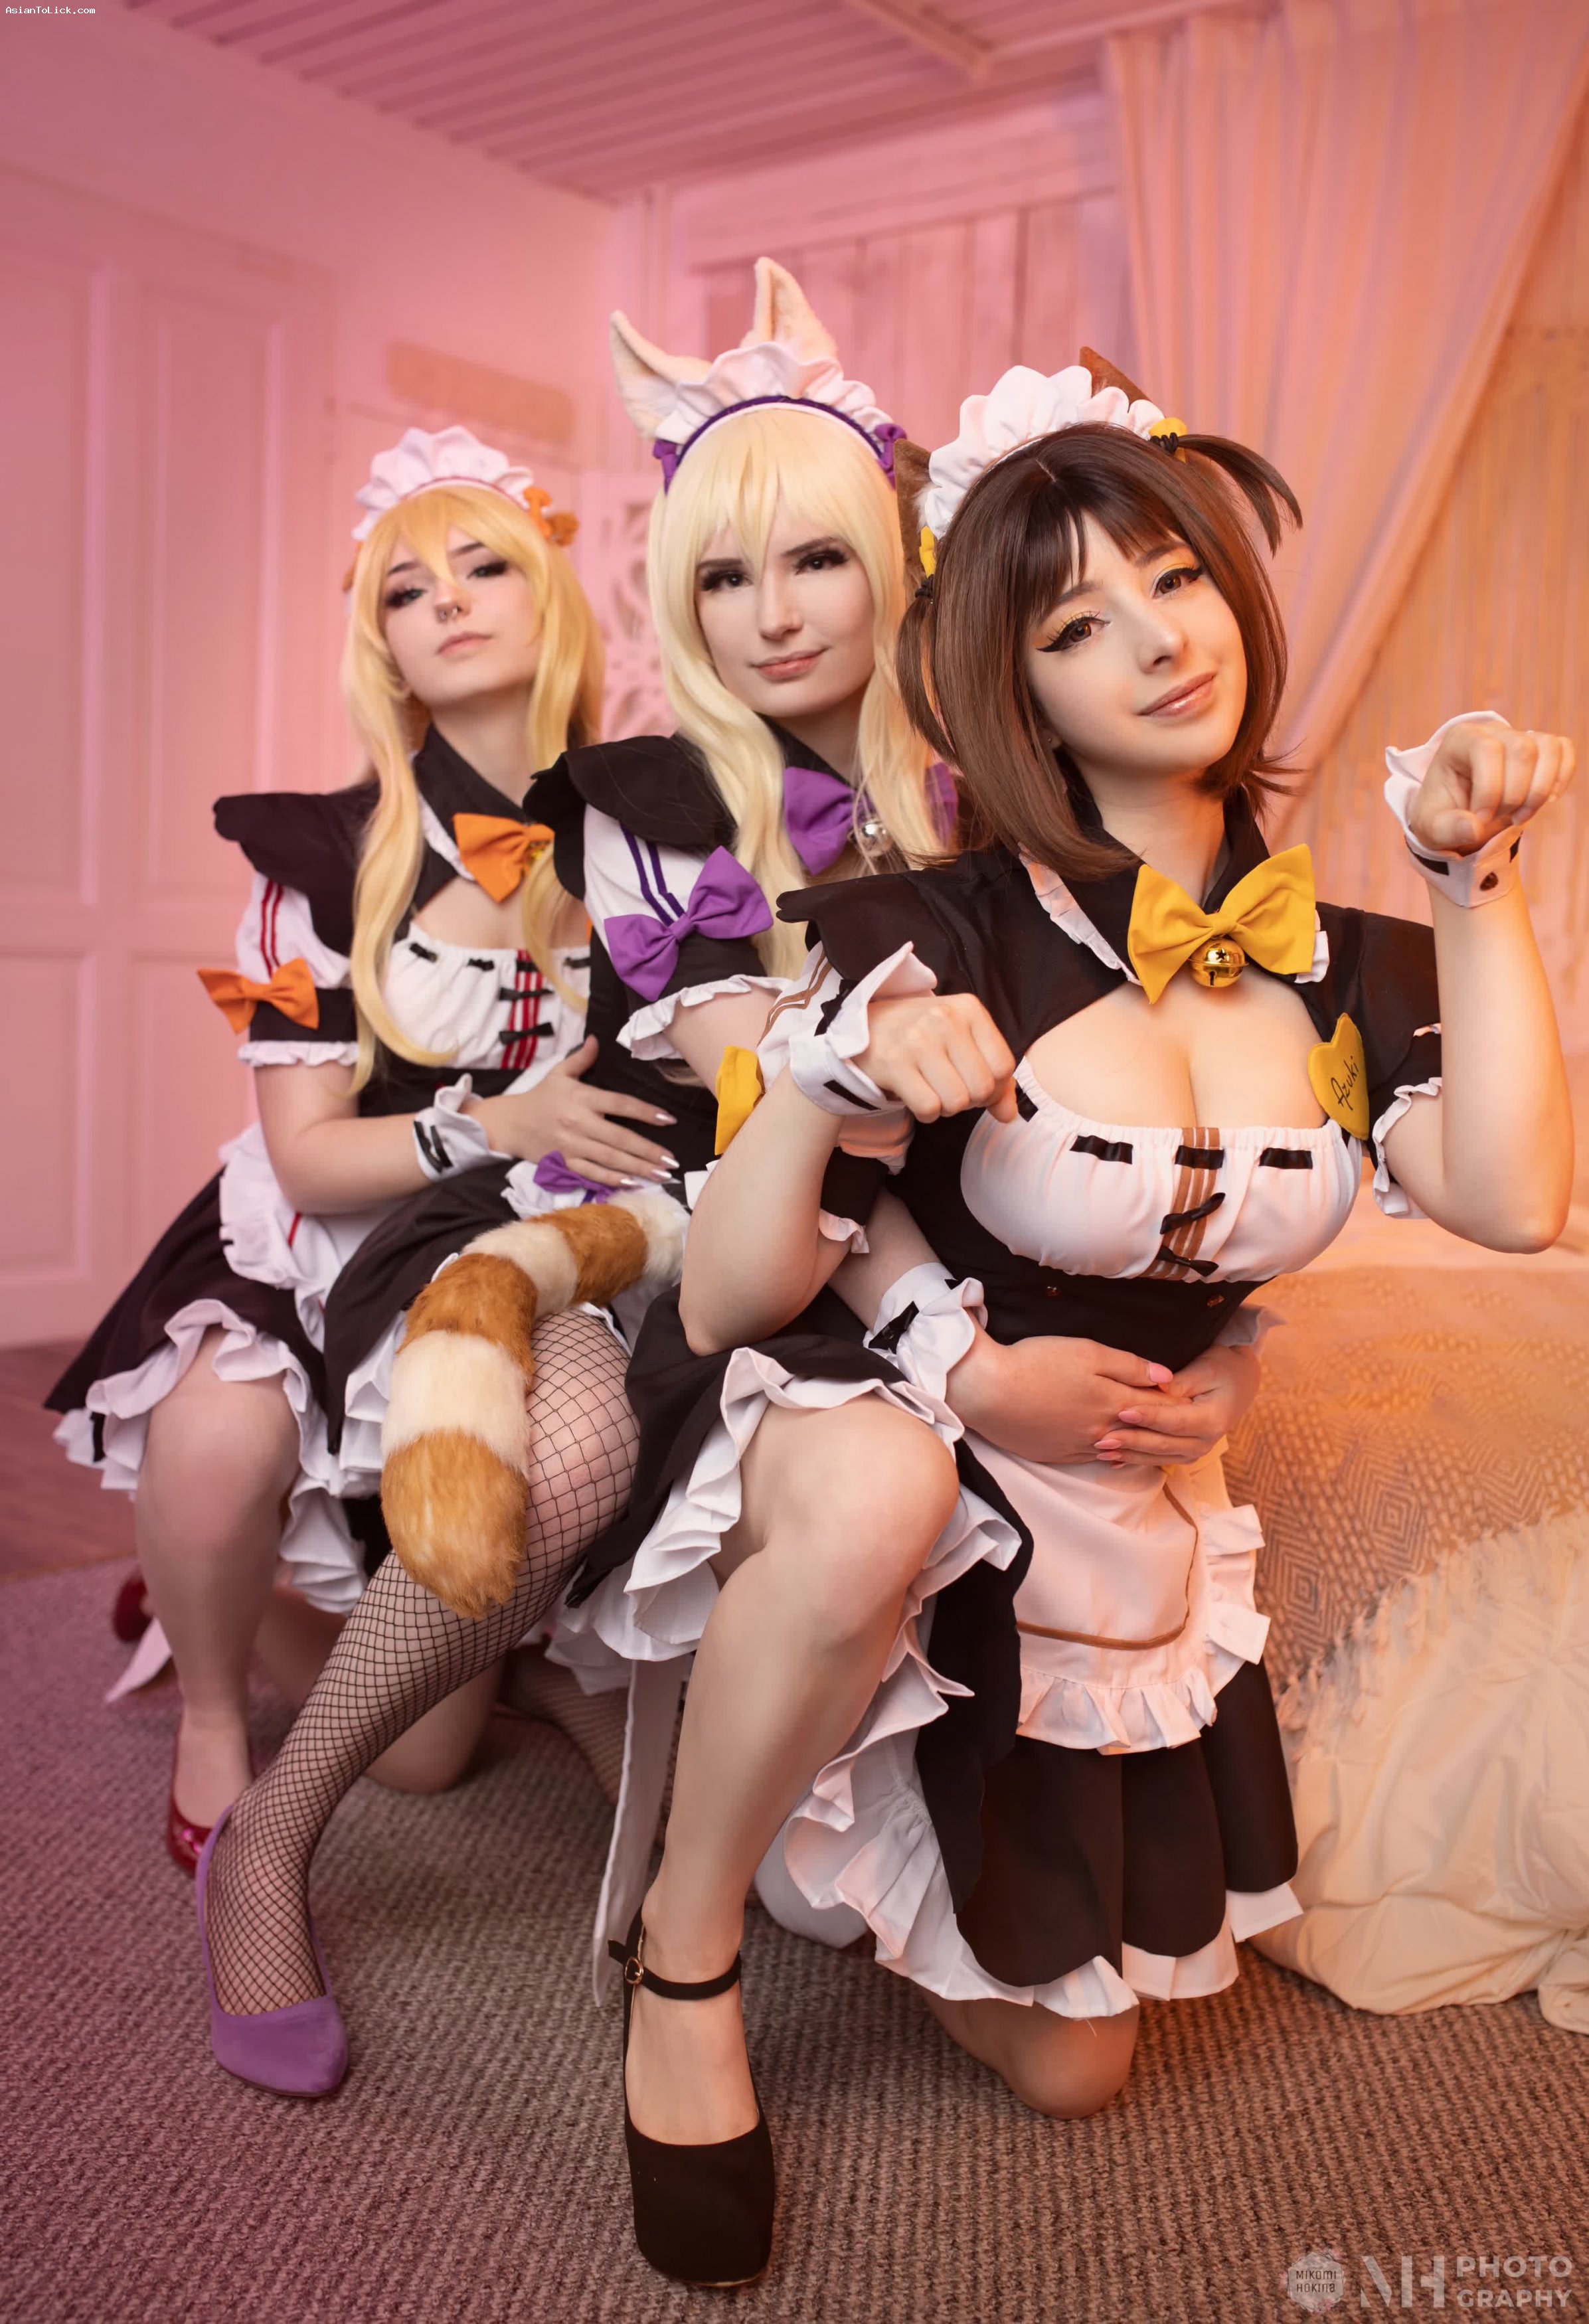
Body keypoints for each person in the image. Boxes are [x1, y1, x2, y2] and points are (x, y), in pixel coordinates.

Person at [596, 356, 1576, 2287]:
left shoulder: (1347, 957)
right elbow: (726, 1293)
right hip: (883, 1388)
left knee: (1078, 2068)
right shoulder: (937, 920)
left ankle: (808, 1809)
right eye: (1074, 622)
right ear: (1016, 690)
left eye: (1175, 579)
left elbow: (1514, 1199)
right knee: (878, 1495)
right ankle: (681, 1953)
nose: (1153, 639)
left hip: (1105, 1489)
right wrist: (829, 1088)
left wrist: (1471, 877)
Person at [187, 260, 981, 2101]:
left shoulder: (974, 791)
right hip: (591, 1215)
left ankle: (564, 1680)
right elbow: (722, 1059)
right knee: (543, 1481)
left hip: (831, 1236)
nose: (774, 612)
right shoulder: (636, 798)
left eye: (819, 558)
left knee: (456, 1721)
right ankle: (268, 1836)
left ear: (898, 561)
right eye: (722, 574)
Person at [46, 426, 663, 1870]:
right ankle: (209, 1695)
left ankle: (223, 1587)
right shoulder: (308, 864)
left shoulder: (643, 843)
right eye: (404, 587)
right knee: (216, 1440)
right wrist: (491, 1123)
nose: (445, 599)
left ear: (553, 599)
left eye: (484, 565)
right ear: (382, 648)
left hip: (518, 1249)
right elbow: (311, 1159)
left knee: (429, 1761)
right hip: (328, 1232)